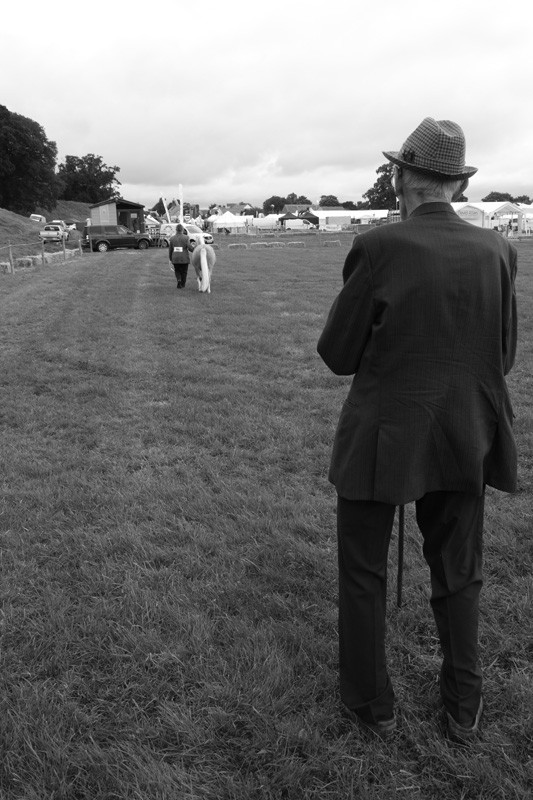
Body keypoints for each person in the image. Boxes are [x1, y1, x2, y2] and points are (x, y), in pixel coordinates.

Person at [317, 118, 518, 743]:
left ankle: (370, 703)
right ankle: (464, 704)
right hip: (466, 431)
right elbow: (504, 355)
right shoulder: (498, 250)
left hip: (384, 435)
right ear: (458, 184)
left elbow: (338, 353)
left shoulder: (378, 247)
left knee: (362, 571)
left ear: (401, 177)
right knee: (460, 571)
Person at [168, 224, 192, 289]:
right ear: (182, 230)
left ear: (176, 230)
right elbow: (189, 247)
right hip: (184, 258)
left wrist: (170, 258)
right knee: (184, 272)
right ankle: (183, 284)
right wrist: (195, 249)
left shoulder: (172, 238)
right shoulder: (186, 238)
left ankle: (179, 280)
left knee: (177, 270)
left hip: (175, 258)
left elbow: (170, 250)